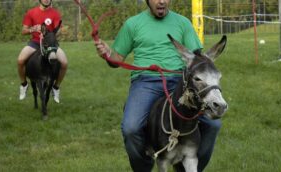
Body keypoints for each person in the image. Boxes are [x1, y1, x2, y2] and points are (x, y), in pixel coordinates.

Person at [95, 0, 221, 171]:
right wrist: (107, 54)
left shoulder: (183, 23)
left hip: (180, 82)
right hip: (145, 82)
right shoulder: (133, 24)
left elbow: (197, 58)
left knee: (213, 124)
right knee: (131, 128)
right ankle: (144, 165)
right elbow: (116, 60)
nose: (161, 1)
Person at [17, 0, 68, 103]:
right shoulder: (31, 12)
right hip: (35, 43)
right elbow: (23, 31)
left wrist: (58, 32)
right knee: (20, 60)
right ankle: (24, 85)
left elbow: (60, 30)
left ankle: (56, 87)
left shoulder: (54, 13)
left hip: (50, 45)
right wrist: (33, 29)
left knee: (64, 63)